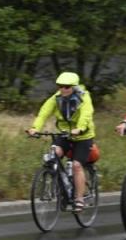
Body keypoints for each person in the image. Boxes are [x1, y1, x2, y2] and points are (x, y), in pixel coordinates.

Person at [26, 72, 95, 212]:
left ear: (74, 87)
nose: (63, 89)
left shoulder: (84, 97)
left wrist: (80, 128)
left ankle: (79, 199)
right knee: (53, 154)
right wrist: (35, 128)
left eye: (67, 87)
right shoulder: (56, 98)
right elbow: (43, 113)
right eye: (60, 86)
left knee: (76, 165)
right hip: (64, 135)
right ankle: (61, 188)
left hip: (83, 136)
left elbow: (86, 114)